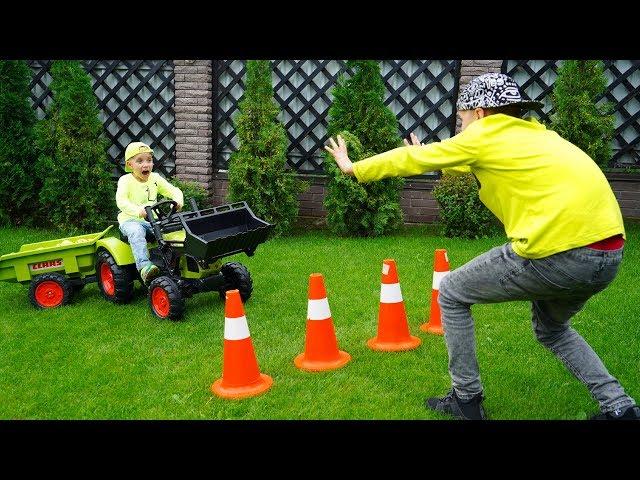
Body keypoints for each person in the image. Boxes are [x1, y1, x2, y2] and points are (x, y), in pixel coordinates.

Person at [324, 72, 639, 421]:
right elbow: (460, 159)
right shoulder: (541, 137)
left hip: (558, 251)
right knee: (553, 329)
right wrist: (428, 154)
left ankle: (466, 400)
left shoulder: (486, 135)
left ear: (482, 113)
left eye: (462, 120)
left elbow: (416, 160)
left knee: (452, 292)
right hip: (608, 254)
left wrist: (354, 167)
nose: (462, 128)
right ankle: (619, 407)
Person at [116, 141, 184, 285]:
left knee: (173, 229)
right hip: (130, 221)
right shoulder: (125, 181)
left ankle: (173, 264)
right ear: (130, 165)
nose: (145, 165)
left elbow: (173, 190)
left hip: (152, 221)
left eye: (149, 160)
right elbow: (121, 201)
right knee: (136, 231)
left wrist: (178, 201)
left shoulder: (155, 178)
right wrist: (137, 211)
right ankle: (144, 267)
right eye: (139, 161)